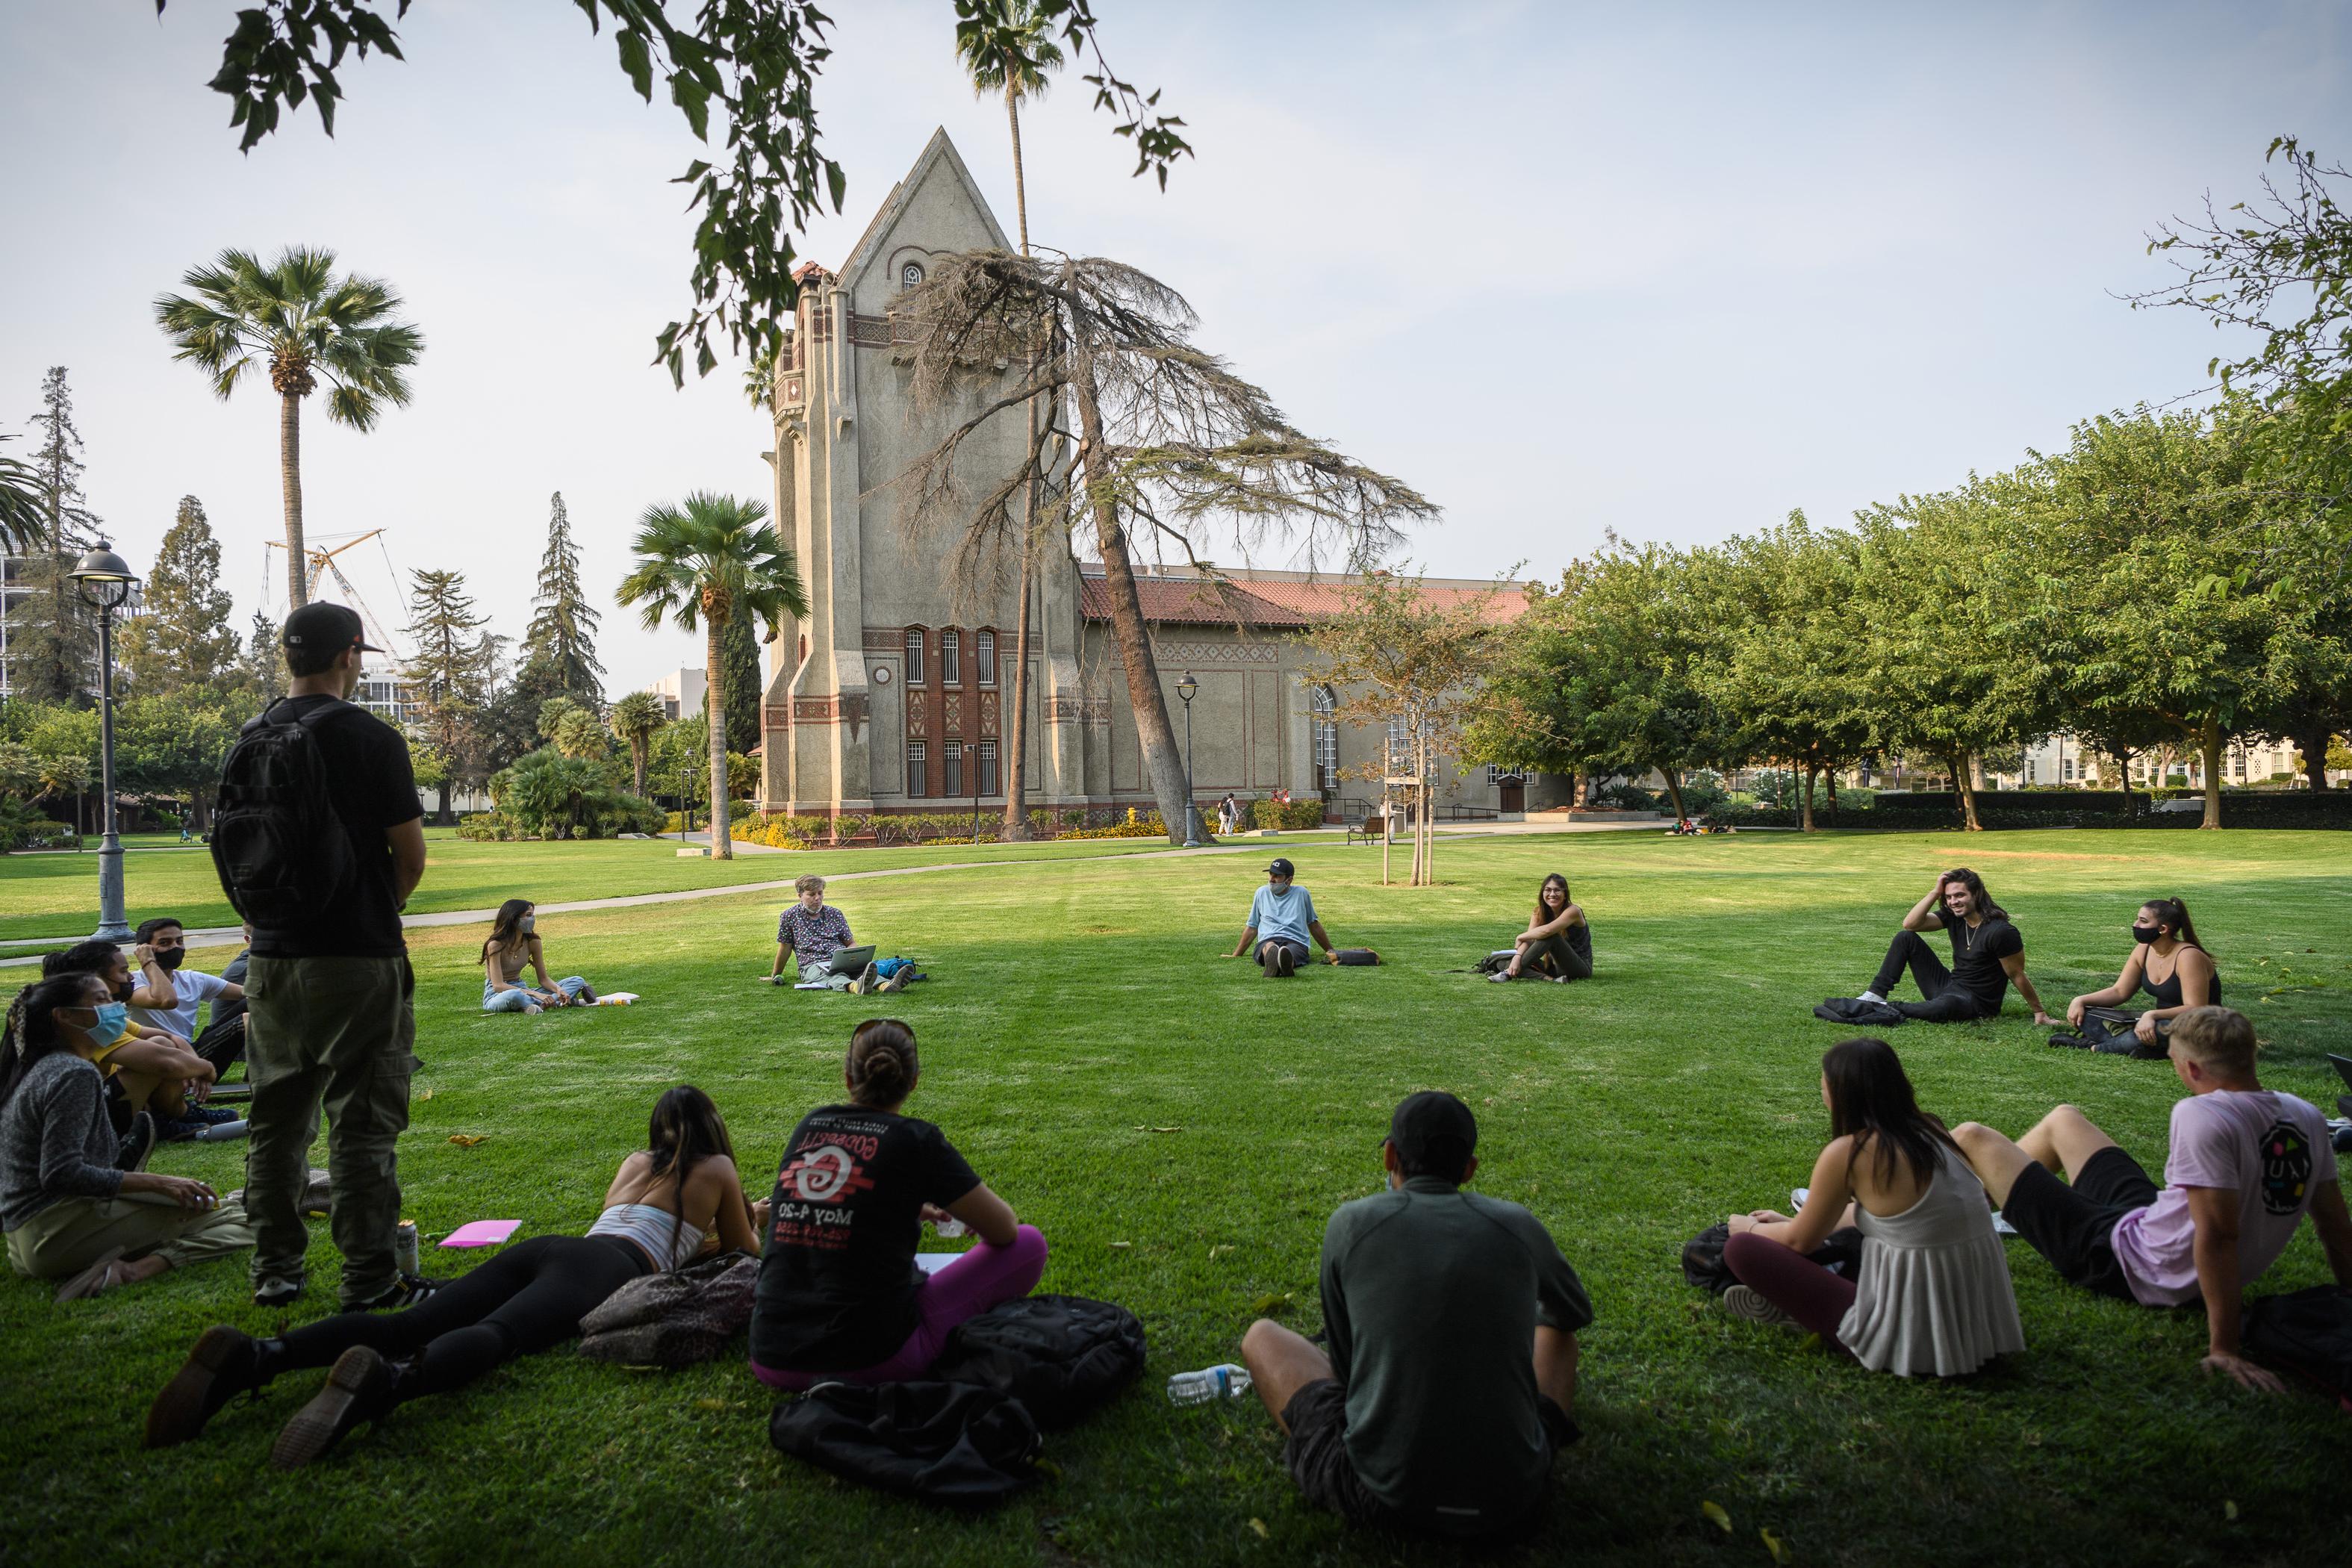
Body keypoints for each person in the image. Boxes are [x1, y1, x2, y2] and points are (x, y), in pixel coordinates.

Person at [142, 1085, 764, 1466]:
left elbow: (639, 1225)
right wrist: (754, 1217)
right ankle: (387, 1383)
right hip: (610, 1267)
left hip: (559, 1247)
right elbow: (744, 1252)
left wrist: (699, 1239)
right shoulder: (717, 1170)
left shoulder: (635, 1160)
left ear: (658, 1127)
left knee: (411, 1319)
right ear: (713, 1129)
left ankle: (261, 1355)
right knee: (499, 1336)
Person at [1239, 1091, 1590, 1540]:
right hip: (1514, 1501)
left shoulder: (1352, 1223)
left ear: (1389, 1156)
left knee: (1261, 1336)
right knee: (1559, 1337)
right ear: (1469, 1168)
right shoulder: (1516, 1224)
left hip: (1381, 1497)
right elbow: (1574, 1313)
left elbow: (1349, 1379)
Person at [1952, 1006, 2352, 1393]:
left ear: (2191, 1069)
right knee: (2064, 1119)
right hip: (2151, 1224)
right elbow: (2334, 1224)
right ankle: (1994, 1205)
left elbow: (2217, 1236)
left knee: (1971, 1136)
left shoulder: (2203, 1115)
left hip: (2130, 1264)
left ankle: (1935, 1218)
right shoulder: (2306, 1116)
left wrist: (2224, 1349)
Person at [241, 602, 429, 1312]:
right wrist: (378, 912)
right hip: (357, 954)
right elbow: (408, 858)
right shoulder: (370, 739)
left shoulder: (253, 733)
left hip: (271, 959)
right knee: (363, 1123)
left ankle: (277, 1269)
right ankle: (369, 1278)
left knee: (276, 1121)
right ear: (351, 655)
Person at [749, 1018, 1046, 1390]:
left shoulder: (811, 1125)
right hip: (875, 1360)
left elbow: (825, 1202)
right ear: (914, 1081)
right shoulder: (916, 1140)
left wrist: (905, 1203)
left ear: (847, 1078)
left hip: (772, 1356)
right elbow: (1004, 1230)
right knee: (1030, 1244)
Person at [1720, 1038, 2024, 1376]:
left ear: (1839, 1093)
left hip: (1913, 1338)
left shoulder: (1852, 1152)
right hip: (1976, 1325)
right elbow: (1896, 1218)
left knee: (1741, 1249)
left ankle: (1809, 1314)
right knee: (1850, 1241)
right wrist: (1793, 1220)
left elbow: (1798, 1242)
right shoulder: (1931, 1129)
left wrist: (1751, 1229)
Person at [1, 973, 254, 1301]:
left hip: (25, 1239)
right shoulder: (71, 1073)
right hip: (56, 1232)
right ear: (63, 1016)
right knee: (242, 1220)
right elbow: (61, 1173)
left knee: (205, 1204)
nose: (115, 1008)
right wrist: (160, 1183)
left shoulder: (37, 1067)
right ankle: (135, 1270)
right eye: (102, 1001)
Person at [40, 941, 233, 1139]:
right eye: (123, 971)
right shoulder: (84, 1020)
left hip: (96, 1102)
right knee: (160, 1054)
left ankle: (172, 1116)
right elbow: (165, 1059)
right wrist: (206, 1068)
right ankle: (168, 1118)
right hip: (82, 1119)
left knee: (164, 1044)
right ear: (95, 978)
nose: (131, 976)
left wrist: (193, 1063)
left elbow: (169, 1037)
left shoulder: (93, 1012)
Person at [1852, 868, 2054, 1025]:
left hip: (1975, 1003)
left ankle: (1883, 1007)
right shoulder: (1956, 917)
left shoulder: (2001, 932)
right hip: (1948, 987)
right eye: (1948, 897)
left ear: (1976, 895)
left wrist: (2039, 1012)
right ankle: (1875, 995)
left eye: (1959, 895)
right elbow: (1911, 925)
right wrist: (1935, 892)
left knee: (1945, 1006)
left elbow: (2017, 974)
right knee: (1905, 938)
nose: (1953, 902)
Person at [2052, 897, 2221, 1054]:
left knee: (2157, 1029)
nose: (2136, 925)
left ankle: (2094, 1046)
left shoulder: (2188, 956)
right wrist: (2080, 1000)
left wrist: (2151, 1015)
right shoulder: (2145, 949)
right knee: (2088, 1014)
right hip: (2158, 1021)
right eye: (2137, 918)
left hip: (2196, 1027)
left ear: (2163, 929)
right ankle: (2134, 1042)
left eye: (2143, 921)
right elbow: (2119, 991)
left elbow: (2196, 1009)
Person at [126, 916, 246, 1056]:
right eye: (165, 943)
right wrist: (147, 961)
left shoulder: (192, 979)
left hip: (190, 1052)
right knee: (243, 1021)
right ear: (145, 949)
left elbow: (249, 994)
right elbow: (166, 1000)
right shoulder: (131, 982)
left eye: (180, 941)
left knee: (250, 1002)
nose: (175, 947)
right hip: (155, 1056)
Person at [766, 874, 900, 995]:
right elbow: (785, 948)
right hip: (812, 965)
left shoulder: (835, 913)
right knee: (833, 976)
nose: (817, 898)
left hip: (840, 960)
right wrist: (775, 975)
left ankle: (886, 985)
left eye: (820, 893)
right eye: (812, 894)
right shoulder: (789, 916)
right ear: (800, 896)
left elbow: (851, 943)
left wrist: (851, 957)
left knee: (861, 971)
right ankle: (854, 987)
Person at [1225, 857, 1340, 977]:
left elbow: (1313, 924)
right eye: (1270, 875)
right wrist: (1236, 954)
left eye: (1277, 876)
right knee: (1269, 946)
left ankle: (1282, 961)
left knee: (1288, 951)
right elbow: (1252, 927)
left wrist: (1331, 951)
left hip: (1295, 940)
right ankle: (1277, 959)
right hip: (1268, 938)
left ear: (1289, 880)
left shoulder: (1301, 893)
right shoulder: (1261, 893)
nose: (1271, 880)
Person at [479, 900, 597, 1013]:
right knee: (515, 995)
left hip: (522, 988)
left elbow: (543, 979)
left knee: (577, 980)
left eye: (533, 915)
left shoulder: (533, 942)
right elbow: (498, 986)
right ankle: (556, 1002)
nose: (532, 919)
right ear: (513, 919)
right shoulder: (495, 945)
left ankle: (538, 1005)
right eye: (528, 915)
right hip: (498, 995)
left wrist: (558, 989)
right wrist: (536, 994)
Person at [1490, 874, 1592, 983]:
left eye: (1557, 890)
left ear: (1565, 894)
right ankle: (1551, 979)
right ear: (1542, 893)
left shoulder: (1573, 911)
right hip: (1551, 967)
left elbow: (1547, 931)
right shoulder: (1539, 912)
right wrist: (1517, 957)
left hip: (1577, 968)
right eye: (1548, 890)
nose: (1552, 894)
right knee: (1502, 962)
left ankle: (1507, 974)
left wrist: (1521, 936)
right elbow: (1530, 940)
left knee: (1552, 936)